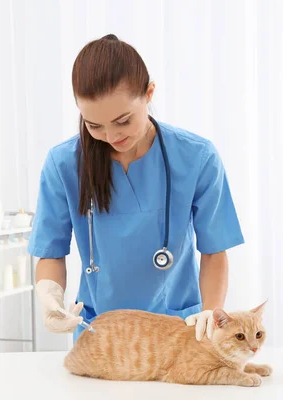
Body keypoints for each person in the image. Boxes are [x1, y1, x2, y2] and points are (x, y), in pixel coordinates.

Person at [28, 34, 244, 344]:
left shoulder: (196, 157)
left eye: (123, 120)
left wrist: (212, 314)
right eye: (94, 125)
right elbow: (50, 251)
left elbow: (214, 251)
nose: (111, 135)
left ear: (149, 93)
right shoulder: (64, 164)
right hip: (100, 334)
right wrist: (50, 297)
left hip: (179, 331)